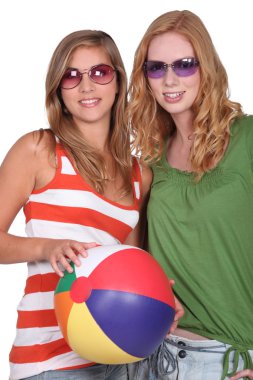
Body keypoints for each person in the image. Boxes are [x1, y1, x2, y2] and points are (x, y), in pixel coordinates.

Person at [0, 29, 154, 380]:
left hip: (119, 358)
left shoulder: (139, 175)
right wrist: (48, 247)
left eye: (99, 72)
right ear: (58, 89)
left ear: (118, 82)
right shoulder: (39, 149)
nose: (87, 86)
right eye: (72, 76)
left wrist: (155, 292)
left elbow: (130, 265)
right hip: (48, 362)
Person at [127, 9, 253, 380]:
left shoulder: (247, 140)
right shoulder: (151, 159)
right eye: (155, 68)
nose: (169, 79)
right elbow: (137, 254)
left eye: (184, 65)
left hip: (226, 362)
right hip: (151, 356)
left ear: (207, 68)